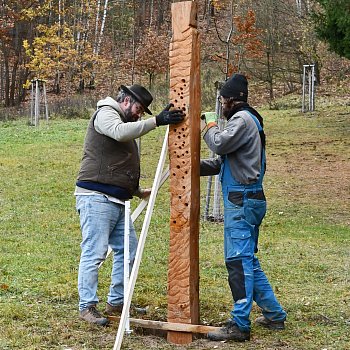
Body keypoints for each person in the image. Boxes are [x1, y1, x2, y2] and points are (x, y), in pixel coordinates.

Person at [75, 84, 184, 326]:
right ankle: (87, 306)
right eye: (138, 108)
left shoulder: (123, 121)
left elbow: (117, 160)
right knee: (95, 253)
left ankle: (117, 301)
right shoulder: (106, 114)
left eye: (143, 112)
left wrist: (135, 190)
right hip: (96, 197)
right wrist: (156, 121)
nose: (139, 114)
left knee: (128, 252)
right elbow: (119, 133)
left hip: (116, 199)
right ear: (126, 100)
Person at [200, 74, 287, 342]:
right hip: (247, 197)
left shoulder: (242, 120)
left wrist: (208, 126)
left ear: (231, 99)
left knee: (238, 262)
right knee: (248, 259)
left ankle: (239, 325)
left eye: (223, 100)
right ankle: (274, 315)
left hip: (242, 199)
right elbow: (224, 162)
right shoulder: (248, 120)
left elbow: (219, 143)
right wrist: (188, 166)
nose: (221, 105)